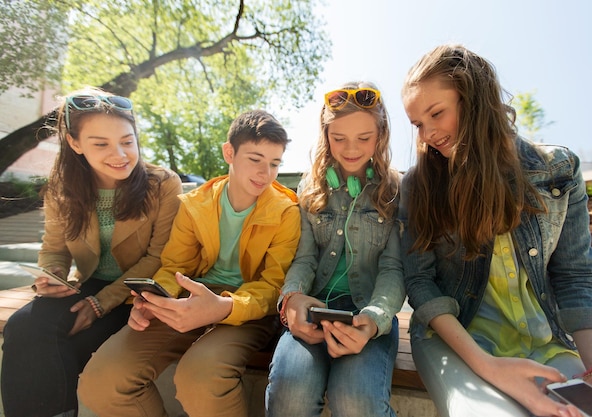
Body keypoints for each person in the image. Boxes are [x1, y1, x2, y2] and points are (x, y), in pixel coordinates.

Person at [399, 44, 592, 417]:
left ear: (474, 100)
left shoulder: (559, 171)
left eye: (436, 113)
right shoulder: (419, 185)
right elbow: (421, 283)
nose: (427, 135)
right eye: (418, 124)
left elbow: (577, 276)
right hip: (460, 341)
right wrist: (487, 366)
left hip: (548, 342)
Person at [77, 109, 301, 417]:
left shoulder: (287, 211)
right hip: (189, 298)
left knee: (200, 377)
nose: (265, 173)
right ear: (229, 153)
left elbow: (274, 286)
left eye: (274, 163)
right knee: (101, 381)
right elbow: (174, 268)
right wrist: (156, 298)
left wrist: (224, 306)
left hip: (248, 308)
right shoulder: (195, 205)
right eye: (255, 159)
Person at [0, 87, 182, 417]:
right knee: (23, 326)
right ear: (74, 143)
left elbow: (158, 257)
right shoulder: (62, 189)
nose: (120, 154)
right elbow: (54, 249)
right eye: (101, 144)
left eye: (127, 141)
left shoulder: (162, 184)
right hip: (87, 284)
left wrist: (100, 304)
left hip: (136, 293)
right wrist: (52, 274)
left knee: (70, 344)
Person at [265, 82, 405, 417]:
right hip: (314, 309)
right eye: (338, 137)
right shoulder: (310, 188)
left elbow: (393, 269)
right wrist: (292, 298)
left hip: (367, 314)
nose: (351, 149)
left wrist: (372, 320)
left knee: (356, 401)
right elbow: (304, 257)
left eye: (364, 138)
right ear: (325, 135)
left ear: (381, 135)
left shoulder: (395, 191)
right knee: (289, 396)